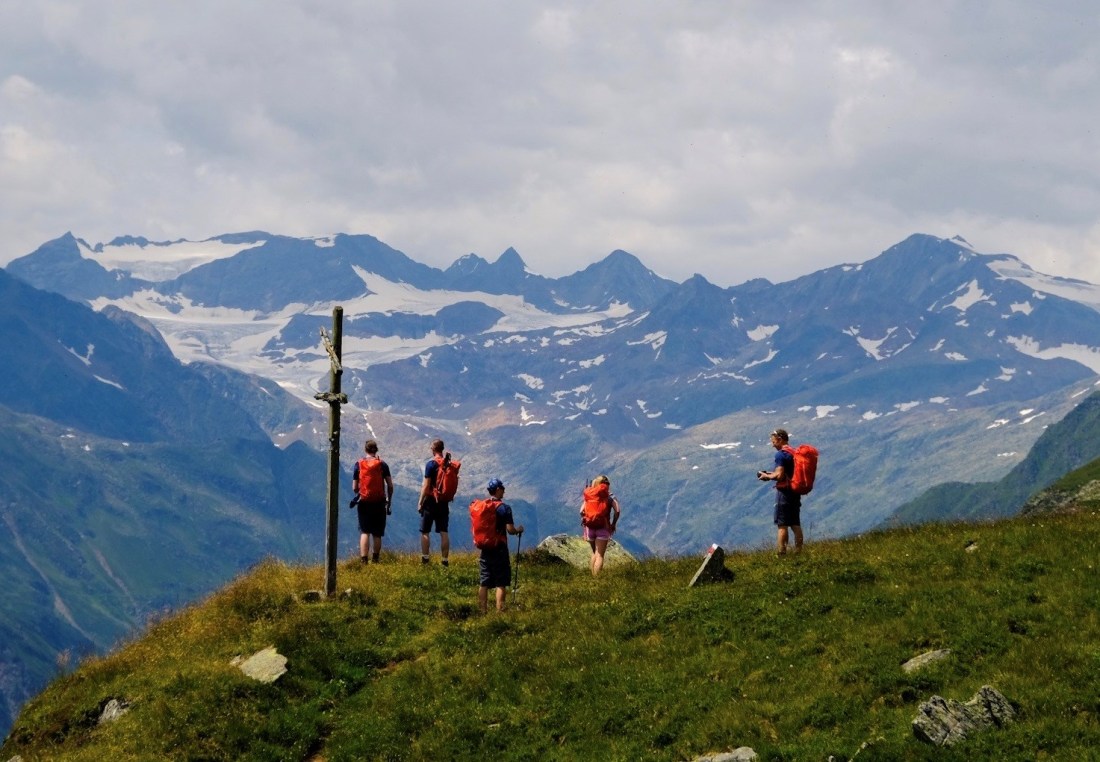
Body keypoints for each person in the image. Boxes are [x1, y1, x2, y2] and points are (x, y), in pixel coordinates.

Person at [474, 478, 523, 613]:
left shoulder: (483, 506)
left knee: (484, 581)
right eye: (502, 489)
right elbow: (510, 530)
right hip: (499, 548)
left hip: (485, 547)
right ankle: (500, 611)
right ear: (497, 490)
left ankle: (482, 611)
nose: (504, 491)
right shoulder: (504, 508)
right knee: (501, 582)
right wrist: (518, 530)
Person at [757, 428, 804, 555]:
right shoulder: (794, 453)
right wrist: (770, 474)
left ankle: (782, 553)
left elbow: (779, 475)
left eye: (773, 441)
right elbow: (786, 473)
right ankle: (798, 552)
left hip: (784, 493)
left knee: (782, 525)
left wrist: (767, 476)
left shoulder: (780, 455)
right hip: (795, 491)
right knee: (795, 523)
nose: (772, 445)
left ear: (779, 439)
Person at [350, 439, 394, 563]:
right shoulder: (382, 465)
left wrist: (361, 493)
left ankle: (364, 560)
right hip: (379, 502)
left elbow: (354, 487)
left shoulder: (359, 464)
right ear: (376, 450)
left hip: (364, 502)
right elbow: (390, 485)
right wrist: (389, 500)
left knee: (365, 531)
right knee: (377, 533)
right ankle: (375, 559)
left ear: (366, 450)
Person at [418, 438, 452, 566]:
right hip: (443, 501)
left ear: (433, 449)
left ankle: (425, 560)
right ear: (442, 449)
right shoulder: (448, 464)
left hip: (431, 501)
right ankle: (445, 561)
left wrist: (420, 502)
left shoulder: (431, 464)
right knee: (444, 531)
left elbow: (426, 486)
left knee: (425, 531)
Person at [580, 475, 621, 576]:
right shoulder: (610, 496)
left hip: (590, 527)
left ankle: (592, 576)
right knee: (600, 555)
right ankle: (597, 579)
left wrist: (587, 521)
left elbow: (581, 511)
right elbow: (617, 510)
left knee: (594, 552)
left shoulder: (590, 494)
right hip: (603, 527)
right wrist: (613, 524)